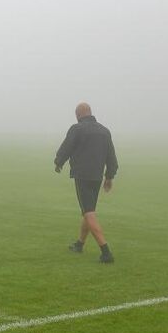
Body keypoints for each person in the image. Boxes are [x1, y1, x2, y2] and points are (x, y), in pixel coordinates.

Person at [54, 102, 119, 263]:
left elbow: (66, 148)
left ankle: (106, 252)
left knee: (88, 212)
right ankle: (79, 244)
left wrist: (59, 162)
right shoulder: (105, 131)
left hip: (82, 175)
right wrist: (109, 176)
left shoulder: (76, 129)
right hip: (97, 176)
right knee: (88, 210)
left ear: (78, 115)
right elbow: (111, 156)